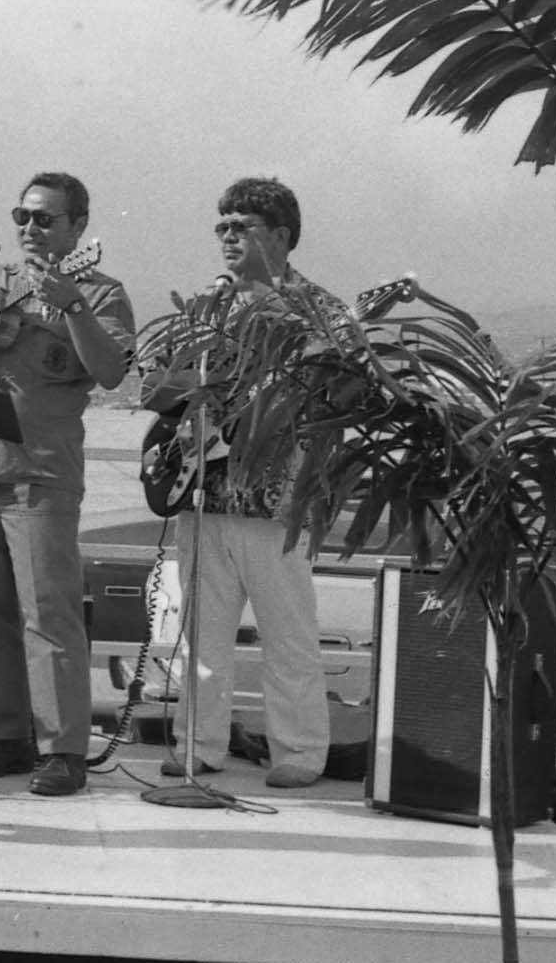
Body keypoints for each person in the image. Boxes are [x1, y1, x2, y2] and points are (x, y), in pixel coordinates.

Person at [0, 172, 134, 796]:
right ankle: (7, 736)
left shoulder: (102, 290)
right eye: (23, 215)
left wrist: (70, 304)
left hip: (40, 471)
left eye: (45, 218)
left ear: (78, 228)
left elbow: (111, 373)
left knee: (49, 611)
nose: (30, 228)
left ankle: (63, 747)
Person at [138, 176, 337, 789]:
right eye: (221, 226)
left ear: (280, 236)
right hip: (205, 491)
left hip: (276, 498)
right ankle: (199, 747)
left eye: (241, 226)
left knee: (289, 638)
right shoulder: (206, 304)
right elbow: (152, 388)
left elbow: (337, 390)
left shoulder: (317, 309)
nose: (226, 237)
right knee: (202, 638)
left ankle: (299, 753)